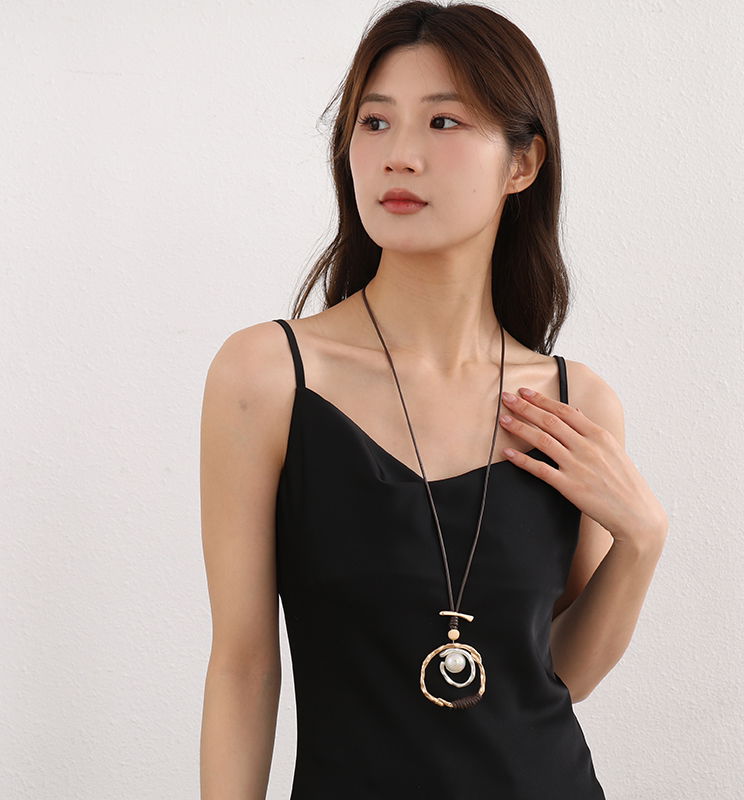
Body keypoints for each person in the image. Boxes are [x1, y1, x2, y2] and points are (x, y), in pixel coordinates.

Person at [199, 2, 668, 797]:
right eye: (374, 123)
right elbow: (243, 667)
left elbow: (563, 673)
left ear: (523, 164)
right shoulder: (268, 376)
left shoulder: (574, 402)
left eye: (444, 123)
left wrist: (643, 540)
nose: (400, 156)